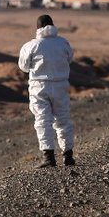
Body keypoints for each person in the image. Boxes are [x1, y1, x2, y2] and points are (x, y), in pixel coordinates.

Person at [18, 14, 76, 167]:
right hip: (60, 85)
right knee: (63, 120)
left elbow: (23, 66)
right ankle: (68, 156)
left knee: (43, 121)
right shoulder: (63, 43)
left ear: (37, 28)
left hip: (39, 86)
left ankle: (48, 157)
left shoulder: (31, 45)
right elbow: (69, 58)